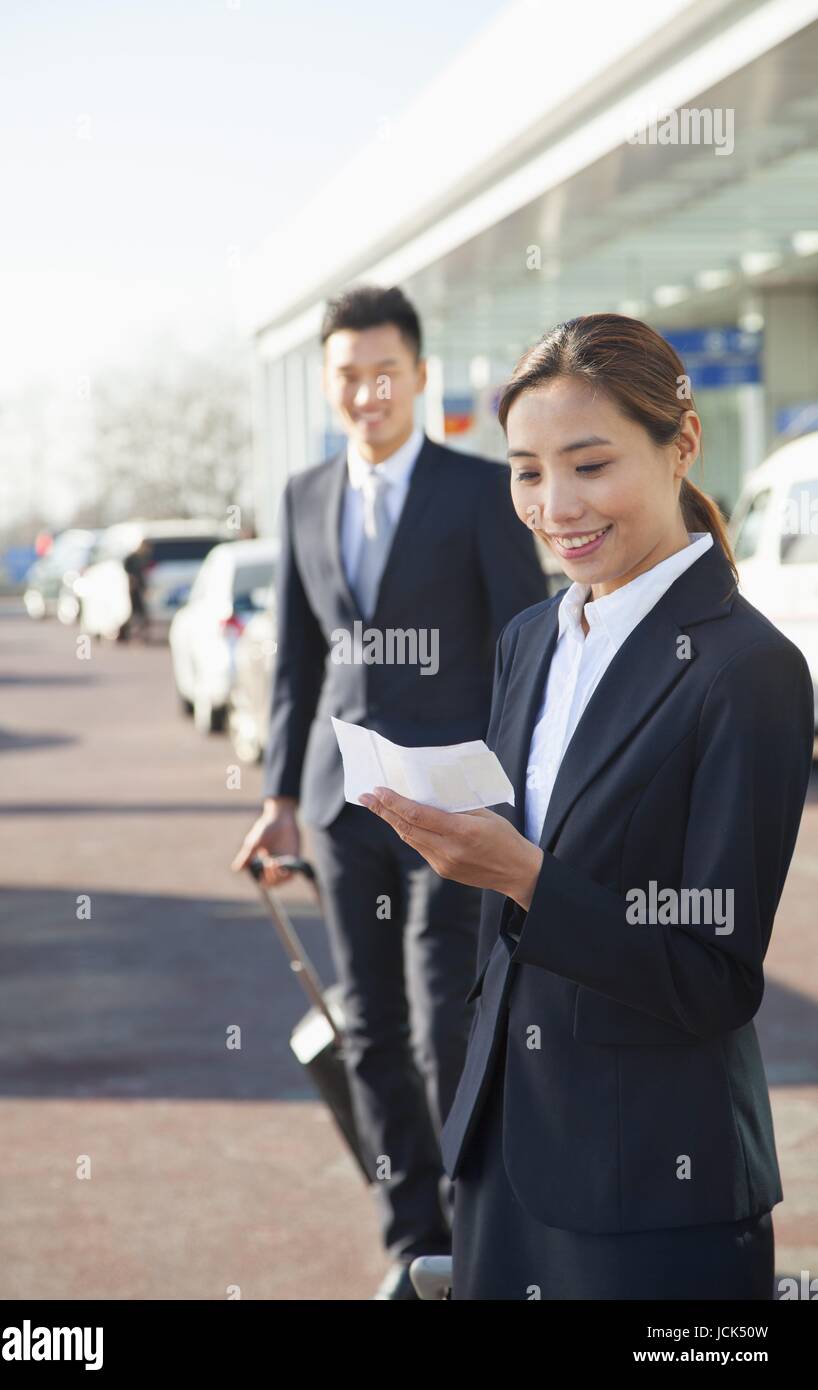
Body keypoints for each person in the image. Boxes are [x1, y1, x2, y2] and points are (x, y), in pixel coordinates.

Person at [358, 313, 814, 1300]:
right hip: (502, 1150)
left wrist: (517, 871)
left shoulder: (748, 672)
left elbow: (711, 976)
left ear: (680, 443)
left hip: (650, 1183)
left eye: (589, 464)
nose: (553, 504)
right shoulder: (530, 636)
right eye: (525, 471)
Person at [231, 284, 547, 1298]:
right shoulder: (302, 496)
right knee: (365, 1028)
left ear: (415, 374)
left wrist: (513, 787)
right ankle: (410, 1236)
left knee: (441, 1019)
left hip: (451, 806)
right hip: (340, 806)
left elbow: (521, 647)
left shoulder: (474, 488)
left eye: (381, 371)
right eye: (345, 376)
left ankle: (476, 1225)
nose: (364, 392)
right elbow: (294, 664)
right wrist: (280, 794)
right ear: (329, 385)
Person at [120, 539, 152, 643]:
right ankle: (125, 635)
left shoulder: (141, 558)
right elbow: (128, 573)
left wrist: (144, 588)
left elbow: (141, 577)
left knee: (140, 613)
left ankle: (139, 635)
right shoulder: (132, 558)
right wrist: (130, 582)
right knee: (128, 612)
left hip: (137, 590)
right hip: (129, 590)